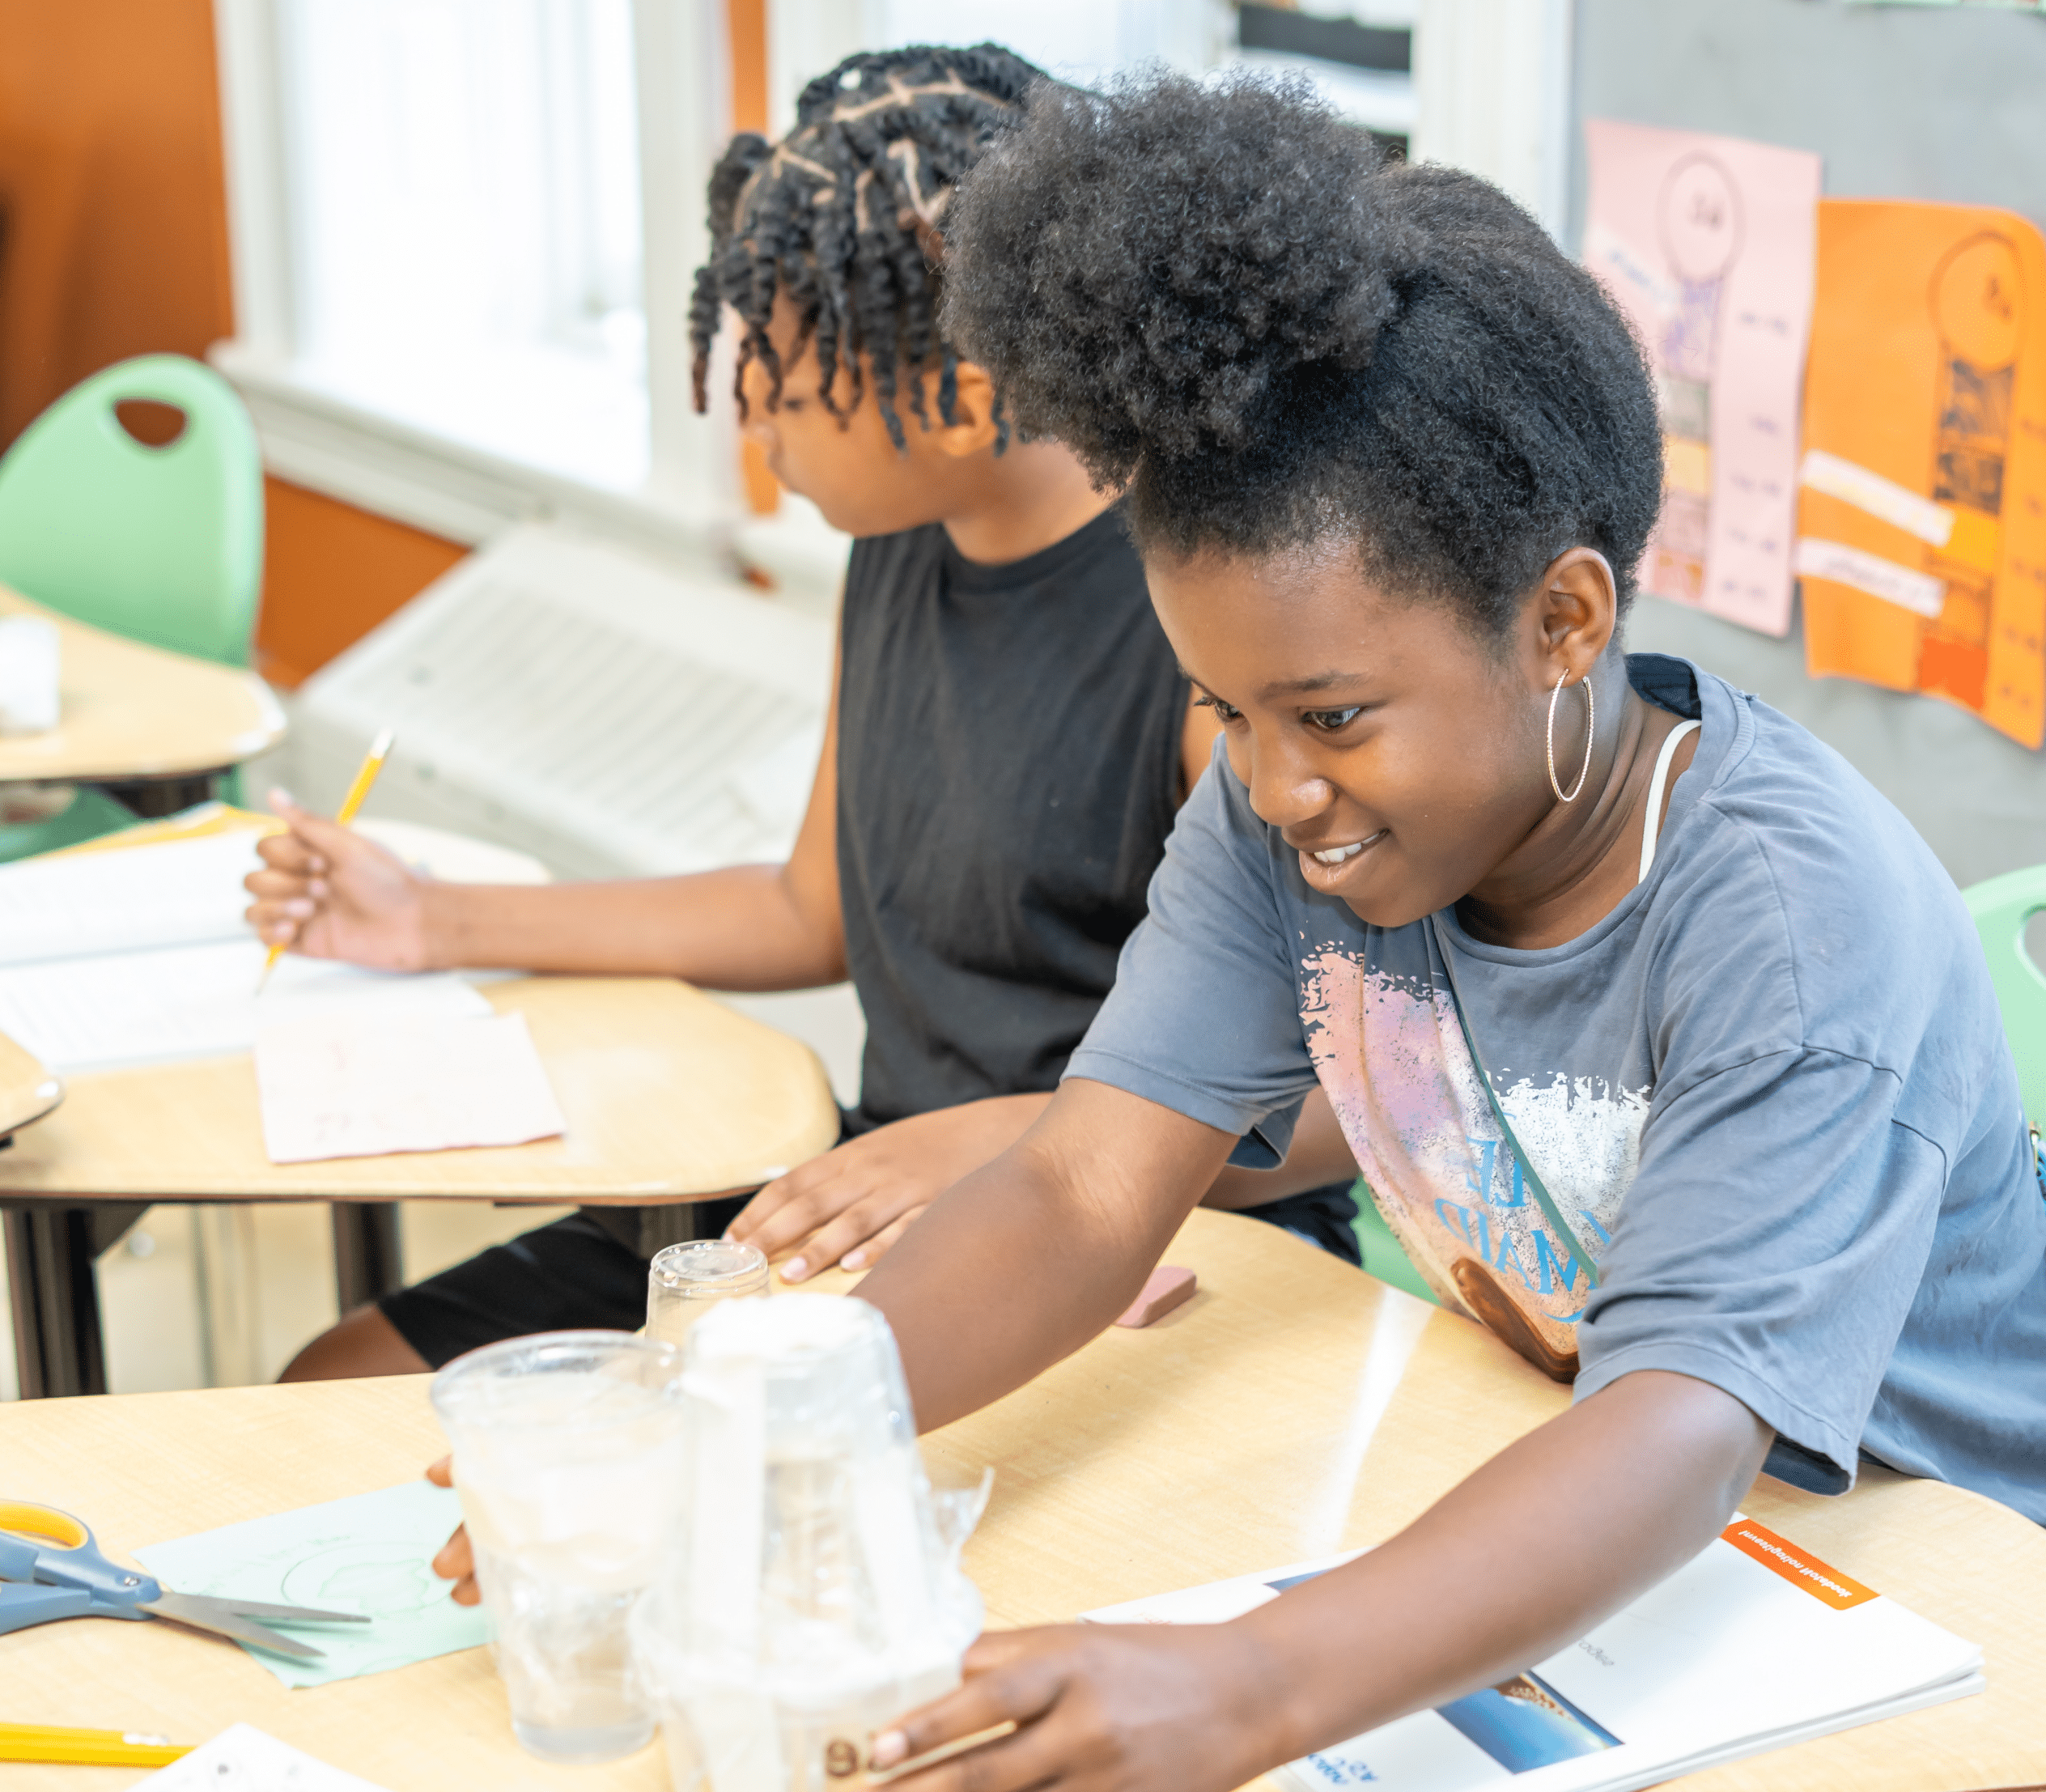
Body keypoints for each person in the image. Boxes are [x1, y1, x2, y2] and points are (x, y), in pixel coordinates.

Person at [796, 74, 2046, 1792]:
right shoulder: (1297, 812)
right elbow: (1084, 1187)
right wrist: (763, 1440)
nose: (1272, 785)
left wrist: (1240, 1691)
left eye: (1326, 715)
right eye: (1225, 712)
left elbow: (1679, 1425)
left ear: (1558, 621)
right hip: (1615, 1533)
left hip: (1941, 1593)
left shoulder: (1791, 918)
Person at [247, 45, 1361, 1383]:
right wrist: (433, 917)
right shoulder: (903, 537)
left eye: (778, 390)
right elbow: (808, 907)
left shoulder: (1203, 621)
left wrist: (1013, 1139)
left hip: (1160, 1238)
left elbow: (1347, 1098)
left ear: (952, 400)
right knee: (343, 1377)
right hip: (884, 1181)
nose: (757, 434)